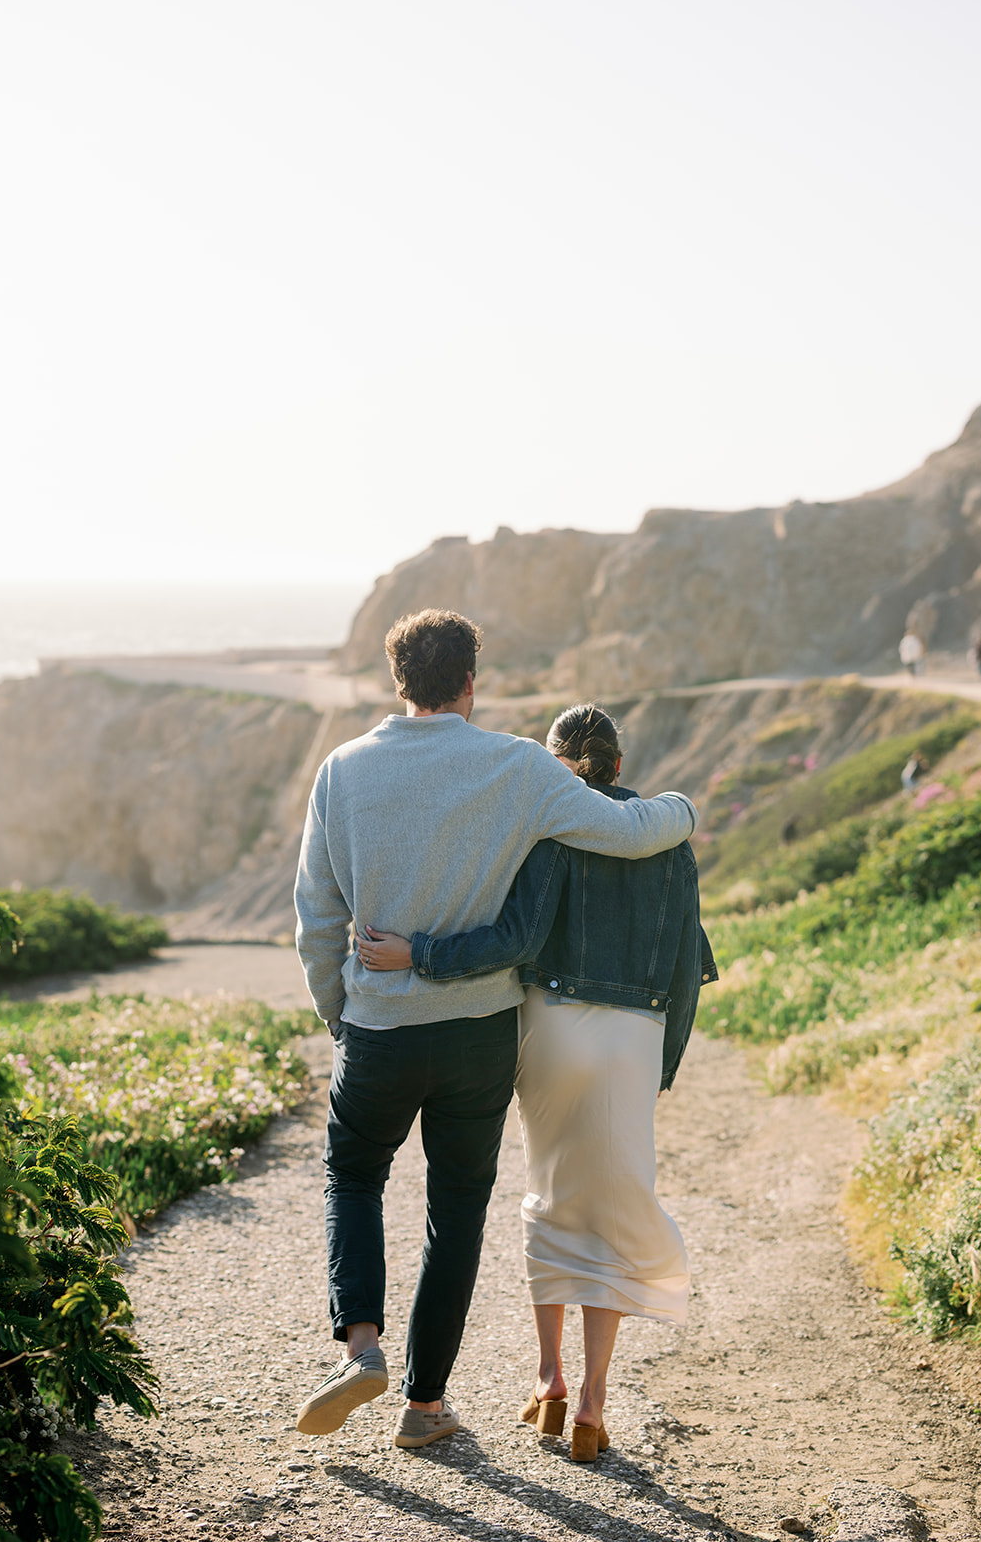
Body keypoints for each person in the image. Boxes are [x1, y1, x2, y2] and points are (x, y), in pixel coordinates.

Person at [293, 612, 699, 1450]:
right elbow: (625, 831)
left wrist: (342, 1011)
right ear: (471, 681)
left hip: (377, 1026)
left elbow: (315, 917)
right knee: (456, 1213)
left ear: (396, 678)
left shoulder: (340, 770)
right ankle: (424, 1405)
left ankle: (361, 1345)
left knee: (353, 1179)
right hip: (478, 1031)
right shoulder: (516, 765)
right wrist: (686, 808)